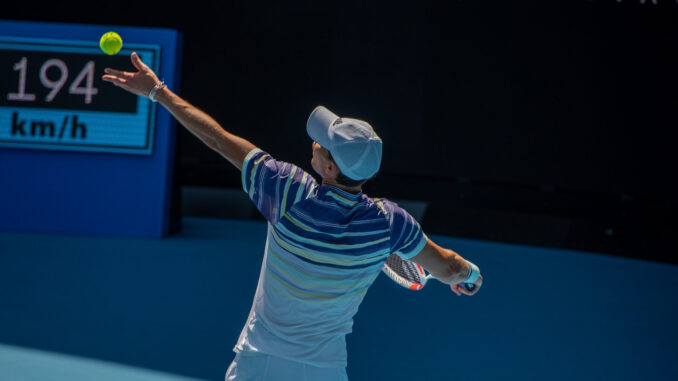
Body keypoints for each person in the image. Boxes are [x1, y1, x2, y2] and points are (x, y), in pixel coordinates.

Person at [103, 52, 483, 381]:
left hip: (257, 363)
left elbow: (217, 138)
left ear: (330, 168)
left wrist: (158, 92)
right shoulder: (389, 224)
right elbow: (448, 267)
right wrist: (470, 274)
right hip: (324, 371)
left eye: (322, 144)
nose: (314, 143)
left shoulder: (288, 191)